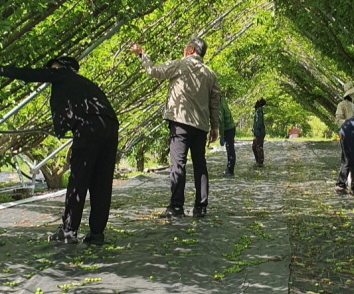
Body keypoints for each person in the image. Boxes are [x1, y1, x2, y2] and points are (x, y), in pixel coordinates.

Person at [0, 56, 119, 245]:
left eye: (53, 67)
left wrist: (3, 70)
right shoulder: (85, 84)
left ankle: (68, 231)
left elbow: (30, 74)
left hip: (89, 126)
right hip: (110, 126)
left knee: (79, 179)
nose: (50, 70)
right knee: (101, 182)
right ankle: (97, 234)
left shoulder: (63, 75)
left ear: (62, 67)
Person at [131, 37, 220, 218]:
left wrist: (142, 55)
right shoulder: (210, 74)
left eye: (186, 47)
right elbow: (215, 102)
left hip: (180, 122)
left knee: (178, 164)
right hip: (201, 126)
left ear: (191, 50)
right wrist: (215, 126)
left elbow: (154, 71)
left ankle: (177, 207)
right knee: (200, 165)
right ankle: (201, 207)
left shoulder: (180, 65)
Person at [219, 96, 236, 177]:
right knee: (230, 149)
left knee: (230, 149)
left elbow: (221, 123)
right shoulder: (223, 100)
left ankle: (230, 170)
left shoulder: (219, 107)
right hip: (231, 127)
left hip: (228, 128)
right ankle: (229, 169)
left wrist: (221, 136)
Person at [252, 98, 266, 166]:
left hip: (260, 131)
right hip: (257, 131)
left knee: (258, 146)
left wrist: (257, 129)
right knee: (255, 146)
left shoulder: (259, 110)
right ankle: (258, 161)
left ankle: (260, 162)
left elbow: (259, 121)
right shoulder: (257, 110)